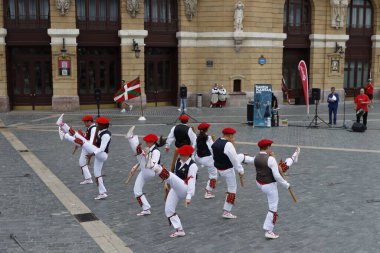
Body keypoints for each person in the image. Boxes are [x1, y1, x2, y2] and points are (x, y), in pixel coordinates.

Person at [244, 139, 299, 239]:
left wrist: (242, 158)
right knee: (273, 207)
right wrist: (286, 184)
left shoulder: (256, 157)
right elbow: (277, 176)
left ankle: (294, 156)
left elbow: (248, 159)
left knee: (284, 166)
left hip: (259, 183)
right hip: (269, 185)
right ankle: (269, 230)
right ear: (268, 147)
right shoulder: (271, 159)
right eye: (270, 147)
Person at [57, 114, 112, 200]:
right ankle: (102, 193)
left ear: (103, 125)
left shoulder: (106, 135)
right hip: (97, 153)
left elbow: (102, 148)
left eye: (99, 124)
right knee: (97, 173)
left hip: (101, 154)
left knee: (82, 142)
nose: (97, 125)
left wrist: (92, 153)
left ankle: (65, 135)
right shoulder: (100, 131)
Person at [150, 145, 198, 238]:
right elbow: (175, 176)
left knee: (171, 176)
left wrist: (188, 197)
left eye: (183, 155)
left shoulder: (193, 165)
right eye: (180, 154)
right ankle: (179, 230)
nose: (181, 156)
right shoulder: (178, 161)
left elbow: (192, 181)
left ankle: (156, 167)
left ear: (189, 155)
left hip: (185, 188)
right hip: (177, 187)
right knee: (168, 210)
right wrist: (166, 184)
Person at [126, 126, 166, 216]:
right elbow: (141, 161)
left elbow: (153, 165)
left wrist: (146, 156)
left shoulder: (156, 151)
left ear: (152, 142)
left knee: (140, 152)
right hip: (144, 171)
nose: (146, 142)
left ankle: (131, 138)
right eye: (146, 141)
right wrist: (137, 167)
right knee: (136, 190)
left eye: (148, 142)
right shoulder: (148, 149)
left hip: (151, 172)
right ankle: (146, 209)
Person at [211, 127, 244, 219]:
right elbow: (234, 160)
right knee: (232, 189)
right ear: (230, 135)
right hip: (228, 169)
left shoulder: (216, 142)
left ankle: (249, 159)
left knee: (241, 156)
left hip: (219, 168)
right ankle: (227, 211)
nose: (233, 138)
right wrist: (240, 170)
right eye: (233, 136)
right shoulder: (228, 145)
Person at [58, 114, 96, 184]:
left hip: (91, 147)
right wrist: (82, 140)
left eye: (85, 122)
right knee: (82, 162)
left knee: (76, 136)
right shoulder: (91, 128)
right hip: (88, 146)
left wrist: (83, 143)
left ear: (89, 122)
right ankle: (88, 179)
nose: (84, 123)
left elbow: (92, 140)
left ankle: (64, 133)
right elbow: (88, 138)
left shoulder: (93, 128)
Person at [193, 122, 217, 199]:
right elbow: (212, 148)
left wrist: (194, 158)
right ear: (207, 129)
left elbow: (193, 148)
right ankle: (208, 192)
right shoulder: (208, 137)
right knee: (213, 176)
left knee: (208, 166)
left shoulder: (196, 137)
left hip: (198, 158)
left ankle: (199, 168)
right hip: (208, 159)